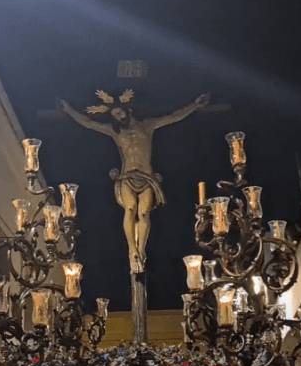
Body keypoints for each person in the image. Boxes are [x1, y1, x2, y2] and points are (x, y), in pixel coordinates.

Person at [59, 89, 209, 273]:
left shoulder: (148, 125)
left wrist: (194, 105)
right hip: (126, 177)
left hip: (147, 177)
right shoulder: (115, 132)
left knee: (144, 213)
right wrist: (68, 110)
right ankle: (132, 249)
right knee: (130, 209)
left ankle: (141, 250)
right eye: (115, 115)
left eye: (120, 113)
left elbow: (174, 117)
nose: (119, 117)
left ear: (127, 111)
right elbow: (89, 123)